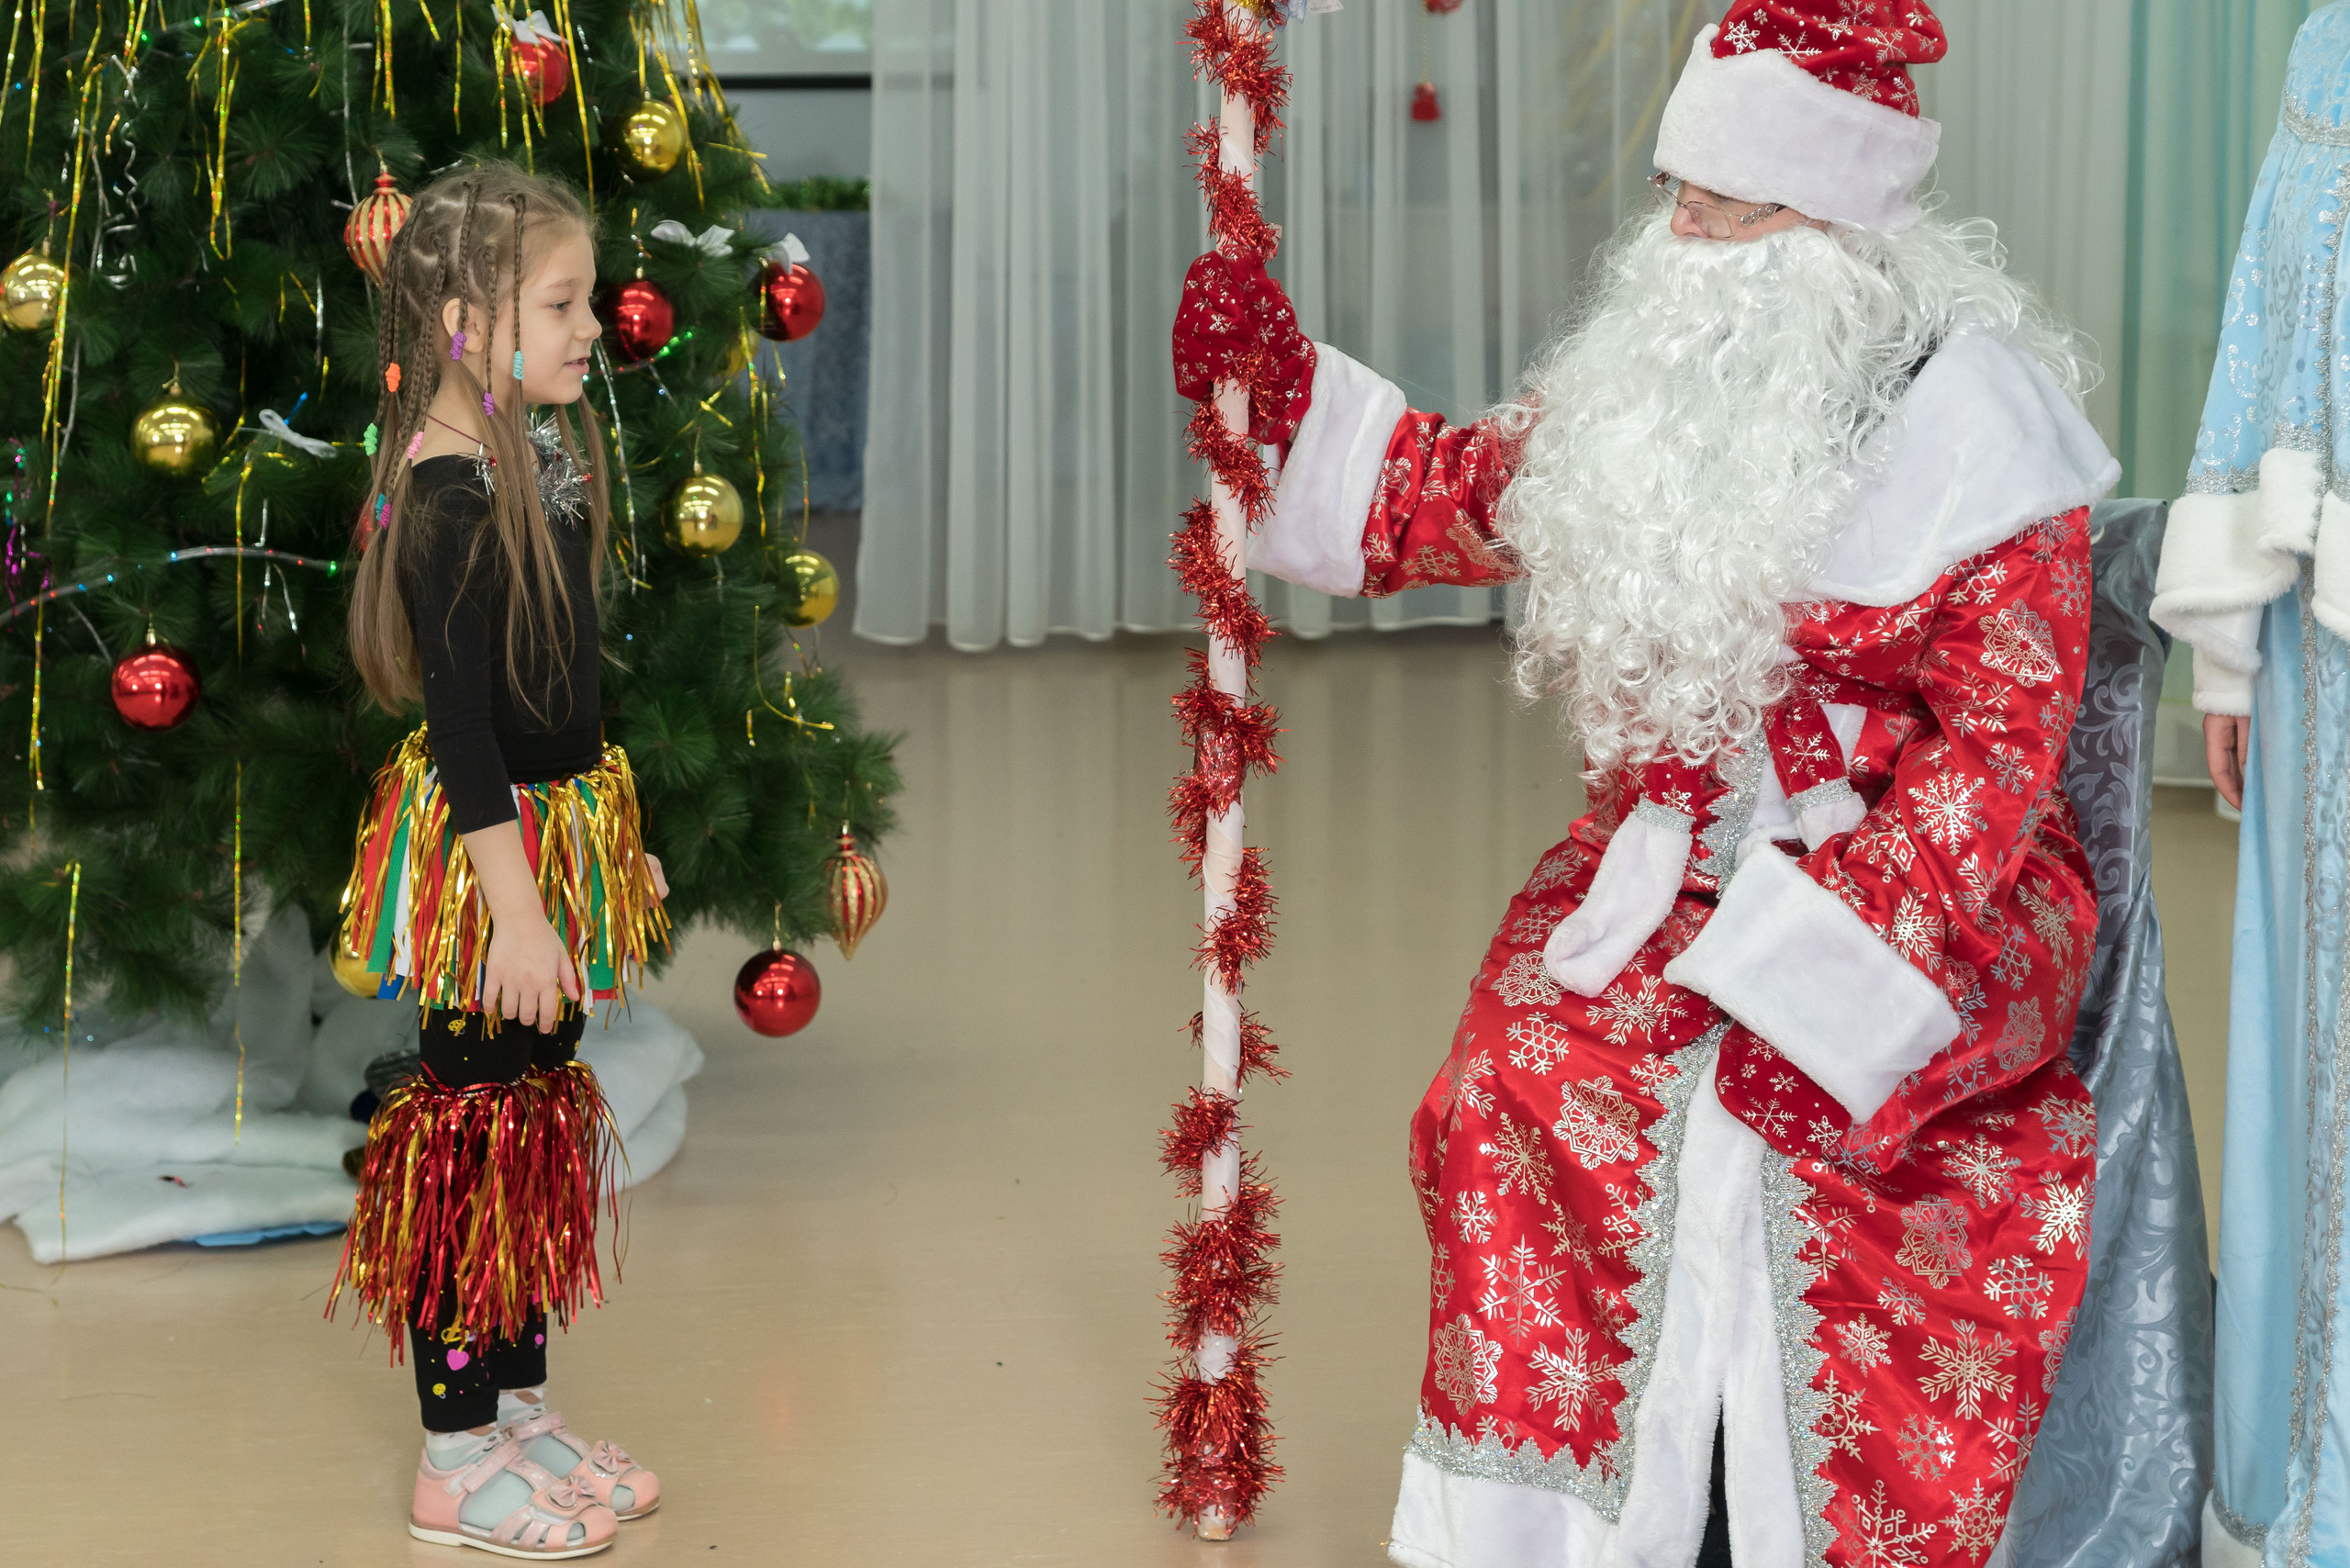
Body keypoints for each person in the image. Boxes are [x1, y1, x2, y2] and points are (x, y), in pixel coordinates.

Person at [1172, 2, 2120, 1562]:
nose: (1681, 235)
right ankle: (1581, 1532)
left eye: (1727, 205)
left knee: (1808, 1127)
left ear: (1835, 220)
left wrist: (1827, 974)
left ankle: (1772, 1519)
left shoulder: (1982, 430)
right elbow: (1445, 496)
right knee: (1510, 1084)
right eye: (1676, 193)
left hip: (1926, 897)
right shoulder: (1650, 386)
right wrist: (1271, 397)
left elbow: (1997, 757)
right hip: (1667, 861)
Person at [328, 162, 669, 1559]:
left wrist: (615, 859)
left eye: (590, 299)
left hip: (557, 841)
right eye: (563, 301)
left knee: (525, 1130)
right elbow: (469, 738)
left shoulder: (538, 453)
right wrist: (519, 917)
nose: (596, 325)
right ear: (469, 321)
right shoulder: (454, 495)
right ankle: (453, 1458)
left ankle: (517, 1414)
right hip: (491, 865)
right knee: (469, 1144)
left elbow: (568, 690)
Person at [2153, 9, 2350, 1563]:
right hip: (2331, 640)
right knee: (2318, 1041)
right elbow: (2269, 315)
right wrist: (2231, 654)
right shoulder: (2329, 49)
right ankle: (2313, 1469)